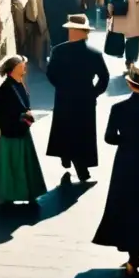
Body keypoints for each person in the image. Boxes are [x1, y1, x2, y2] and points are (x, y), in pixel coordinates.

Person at [93, 66, 139, 276]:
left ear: (130, 84)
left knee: (124, 203)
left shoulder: (118, 108)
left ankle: (128, 249)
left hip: (125, 161)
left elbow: (109, 137)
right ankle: (136, 254)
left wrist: (126, 142)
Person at [46, 13, 110, 183]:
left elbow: (51, 74)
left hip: (64, 98)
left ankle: (66, 157)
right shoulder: (94, 54)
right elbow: (104, 78)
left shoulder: (58, 51)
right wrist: (94, 93)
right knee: (83, 133)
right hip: (85, 100)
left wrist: (61, 88)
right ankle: (81, 167)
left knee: (64, 128)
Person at [0, 55, 47, 205]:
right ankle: (9, 194)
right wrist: (24, 116)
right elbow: (6, 113)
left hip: (22, 132)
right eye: (22, 65)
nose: (25, 67)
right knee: (12, 166)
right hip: (12, 134)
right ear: (14, 68)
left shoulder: (19, 84)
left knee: (24, 165)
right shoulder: (4, 90)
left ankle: (27, 192)